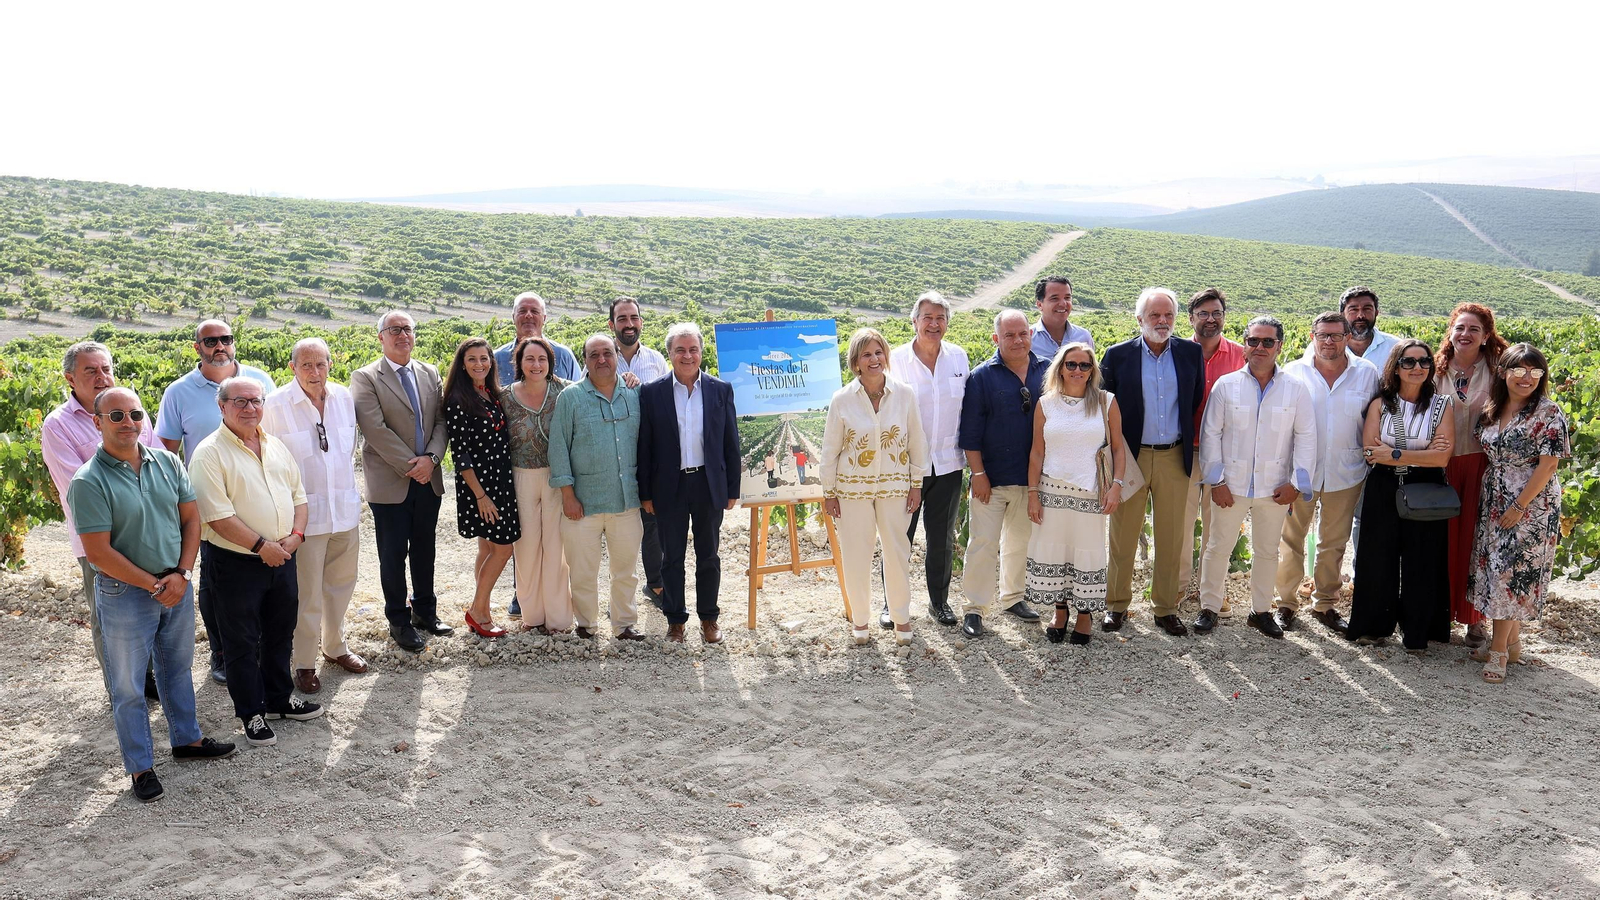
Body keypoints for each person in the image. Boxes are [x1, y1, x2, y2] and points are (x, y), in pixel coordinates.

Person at [68, 387, 236, 803]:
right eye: (117, 416)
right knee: (127, 686)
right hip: (126, 592)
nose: (128, 422)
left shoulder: (167, 462)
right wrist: (155, 584)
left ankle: (187, 741)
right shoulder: (89, 481)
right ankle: (141, 767)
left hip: (175, 584)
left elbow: (191, 520)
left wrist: (181, 573)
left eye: (135, 414)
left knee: (177, 669)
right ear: (97, 423)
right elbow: (98, 552)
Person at [190, 377, 323, 748]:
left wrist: (295, 538)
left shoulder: (275, 445)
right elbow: (217, 516)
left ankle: (279, 699)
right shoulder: (208, 453)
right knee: (242, 642)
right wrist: (262, 545)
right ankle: (251, 712)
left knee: (280, 633)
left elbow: (299, 497)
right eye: (240, 402)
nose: (250, 408)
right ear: (222, 406)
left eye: (256, 401)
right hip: (236, 563)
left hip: (283, 556)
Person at [154, 319, 275, 685]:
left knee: (262, 574)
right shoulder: (178, 392)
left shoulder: (260, 380)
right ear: (198, 347)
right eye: (210, 341)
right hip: (208, 501)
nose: (219, 346)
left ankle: (257, 646)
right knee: (214, 578)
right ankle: (222, 651)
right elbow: (168, 453)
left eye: (225, 339)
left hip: (259, 492)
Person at [41, 341, 163, 696]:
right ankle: (122, 690)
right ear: (70, 378)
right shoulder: (58, 425)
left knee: (152, 609)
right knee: (110, 618)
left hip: (149, 531)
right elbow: (79, 488)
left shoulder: (134, 412)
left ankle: (148, 680)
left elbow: (157, 469)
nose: (101, 376)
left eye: (105, 368)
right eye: (90, 371)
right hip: (101, 540)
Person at [1194, 316, 1316, 639]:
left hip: (1275, 488)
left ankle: (1260, 611)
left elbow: (1306, 438)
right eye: (1253, 341)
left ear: (1280, 346)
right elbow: (1210, 435)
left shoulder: (1296, 390)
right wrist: (1216, 482)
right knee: (1218, 546)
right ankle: (1209, 607)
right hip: (1229, 486)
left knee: (1267, 551)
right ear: (1245, 344)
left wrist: (1296, 484)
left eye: (1267, 342)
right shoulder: (1226, 386)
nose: (1259, 348)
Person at [262, 338, 366, 695]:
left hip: (345, 513)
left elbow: (349, 451)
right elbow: (270, 463)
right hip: (304, 520)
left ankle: (335, 647)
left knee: (341, 585)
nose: (314, 372)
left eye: (320, 364)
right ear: (292, 367)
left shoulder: (344, 399)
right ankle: (304, 663)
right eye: (306, 365)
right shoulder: (274, 405)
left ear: (330, 365)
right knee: (306, 595)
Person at [1100, 288, 1206, 635]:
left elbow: (1194, 399)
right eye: (1155, 315)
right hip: (1130, 457)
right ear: (1139, 319)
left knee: (1172, 536)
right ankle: (1116, 606)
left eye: (1169, 316)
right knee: (1122, 535)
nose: (1163, 322)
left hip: (1175, 456)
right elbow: (1105, 407)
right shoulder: (1117, 356)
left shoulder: (1191, 353)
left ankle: (1165, 608)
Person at [351, 310, 454, 653]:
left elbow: (441, 421)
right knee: (393, 555)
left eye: (407, 329)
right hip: (391, 482)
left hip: (429, 479)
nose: (402, 335)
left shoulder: (430, 373)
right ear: (380, 337)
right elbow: (374, 429)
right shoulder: (366, 377)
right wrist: (414, 466)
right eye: (393, 329)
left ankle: (426, 611)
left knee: (426, 550)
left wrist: (433, 460)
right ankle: (398, 619)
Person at [1346, 340, 1456, 651]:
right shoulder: (1381, 404)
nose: (1417, 367)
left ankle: (1418, 631)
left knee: (1422, 559)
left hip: (1425, 487)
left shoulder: (1443, 405)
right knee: (1376, 556)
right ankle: (1372, 627)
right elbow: (1370, 452)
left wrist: (1393, 452)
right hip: (1383, 485)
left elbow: (1441, 459)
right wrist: (1417, 453)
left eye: (1423, 362)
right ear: (1396, 367)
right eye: (1409, 362)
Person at [1275, 313, 1380, 635]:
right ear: (1312, 336)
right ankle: (1286, 603)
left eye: (1336, 335)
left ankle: (1325, 604)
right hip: (1299, 473)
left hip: (1346, 472)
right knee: (1290, 540)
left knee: (1334, 542)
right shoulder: (1292, 372)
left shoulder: (1367, 374)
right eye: (1323, 335)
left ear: (1348, 337)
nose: (1329, 341)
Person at [822, 328, 928, 646]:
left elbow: (917, 443)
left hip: (895, 487)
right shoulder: (842, 400)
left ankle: (901, 618)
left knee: (897, 553)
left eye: (879, 352)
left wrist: (916, 484)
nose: (874, 359)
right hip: (851, 490)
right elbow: (830, 450)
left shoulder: (905, 395)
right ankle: (860, 621)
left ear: (886, 356)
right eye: (867, 354)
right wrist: (829, 492)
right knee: (856, 555)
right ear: (856, 362)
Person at [1469, 344, 1568, 683]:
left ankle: (1498, 653)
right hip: (1494, 496)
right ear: (1503, 371)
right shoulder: (1493, 407)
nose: (1528, 378)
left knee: (1509, 577)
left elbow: (1549, 465)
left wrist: (1519, 505)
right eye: (1520, 370)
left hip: (1531, 503)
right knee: (1495, 570)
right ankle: (1511, 643)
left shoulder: (1548, 412)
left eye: (1536, 371)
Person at [637, 322, 741, 643]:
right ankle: (675, 622)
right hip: (669, 486)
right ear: (669, 353)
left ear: (701, 352)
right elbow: (645, 447)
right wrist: (645, 492)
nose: (687, 355)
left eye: (693, 349)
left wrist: (732, 489)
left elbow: (730, 443)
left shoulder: (720, 390)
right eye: (680, 350)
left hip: (708, 485)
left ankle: (709, 619)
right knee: (672, 559)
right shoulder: (652, 392)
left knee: (709, 556)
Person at [1025, 343, 1125, 645]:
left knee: (1086, 553)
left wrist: (1116, 485)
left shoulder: (1106, 402)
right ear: (1060, 368)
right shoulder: (1046, 404)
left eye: (1085, 365)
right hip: (1051, 491)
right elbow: (1036, 453)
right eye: (1071, 364)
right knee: (1057, 551)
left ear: (1093, 370)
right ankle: (1059, 611)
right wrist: (1032, 493)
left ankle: (1084, 614)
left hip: (1090, 493)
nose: (1078, 371)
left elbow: (1118, 448)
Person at [549, 334, 646, 640]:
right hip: (583, 503)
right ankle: (586, 625)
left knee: (626, 571)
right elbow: (558, 449)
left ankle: (625, 624)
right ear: (585, 361)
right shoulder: (571, 398)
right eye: (594, 355)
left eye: (607, 353)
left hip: (627, 500)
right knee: (582, 572)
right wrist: (567, 495)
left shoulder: (635, 393)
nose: (602, 359)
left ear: (618, 355)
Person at [958, 309, 1048, 635]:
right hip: (991, 479)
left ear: (1031, 335)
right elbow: (969, 431)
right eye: (1008, 335)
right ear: (996, 339)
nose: (1017, 340)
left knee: (1020, 542)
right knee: (982, 543)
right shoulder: (981, 377)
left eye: (1022, 333)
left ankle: (1013, 598)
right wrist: (978, 474)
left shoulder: (1047, 372)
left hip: (1030, 478)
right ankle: (975, 608)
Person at [887, 290, 970, 627]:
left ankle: (939, 602)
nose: (934, 324)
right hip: (905, 468)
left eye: (940, 318)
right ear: (914, 322)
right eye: (928, 318)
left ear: (947, 323)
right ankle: (892, 604)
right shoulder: (895, 360)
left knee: (941, 540)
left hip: (948, 464)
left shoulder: (959, 358)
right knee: (898, 539)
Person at [1435, 303, 1507, 649]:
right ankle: (1440, 612)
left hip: (1481, 467)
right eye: (1460, 328)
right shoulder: (1435, 370)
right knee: (1442, 542)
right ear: (1451, 331)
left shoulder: (1498, 371)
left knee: (1476, 543)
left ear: (1486, 336)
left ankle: (1475, 620)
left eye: (1474, 329)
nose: (1465, 334)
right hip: (1441, 466)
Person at [442, 337, 521, 638]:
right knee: (504, 549)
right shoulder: (458, 400)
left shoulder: (490, 392)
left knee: (487, 547)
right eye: (472, 359)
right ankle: (476, 611)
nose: (479, 364)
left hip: (500, 481)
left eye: (484, 358)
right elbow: (460, 455)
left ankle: (483, 609)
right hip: (481, 486)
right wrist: (481, 496)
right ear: (462, 364)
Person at [503, 335, 574, 634]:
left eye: (542, 359)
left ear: (550, 362)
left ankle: (558, 620)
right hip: (521, 477)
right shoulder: (505, 396)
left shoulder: (566, 391)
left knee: (556, 549)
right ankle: (532, 617)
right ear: (519, 362)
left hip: (557, 477)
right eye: (529, 359)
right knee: (526, 548)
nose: (536, 364)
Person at [1180, 288, 1245, 609]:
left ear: (1224, 317)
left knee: (1218, 528)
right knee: (1180, 524)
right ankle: (1176, 592)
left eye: (1216, 313)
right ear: (1191, 318)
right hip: (1183, 453)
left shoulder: (1241, 355)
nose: (1210, 319)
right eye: (1203, 313)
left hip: (1224, 453)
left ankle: (1211, 595)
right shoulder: (1176, 352)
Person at [608, 297, 669, 606]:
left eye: (633, 318)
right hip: (614, 454)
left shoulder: (657, 360)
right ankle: (620, 598)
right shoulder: (601, 359)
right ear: (611, 325)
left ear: (641, 322)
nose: (628, 324)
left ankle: (656, 585)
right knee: (619, 526)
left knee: (652, 521)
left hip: (649, 454)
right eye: (622, 319)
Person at [496, 290, 580, 385]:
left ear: (544, 318)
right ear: (513, 317)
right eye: (522, 311)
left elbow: (579, 394)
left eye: (534, 311)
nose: (528, 315)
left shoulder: (564, 356)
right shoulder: (497, 358)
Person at [1304, 286, 1398, 365]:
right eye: (1353, 310)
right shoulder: (1318, 348)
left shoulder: (1394, 347)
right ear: (1342, 314)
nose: (1361, 315)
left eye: (1367, 309)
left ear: (1376, 313)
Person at [1030, 275, 1094, 360]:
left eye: (1067, 298)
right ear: (1039, 305)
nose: (1063, 303)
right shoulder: (1028, 339)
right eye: (1055, 298)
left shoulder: (1083, 337)